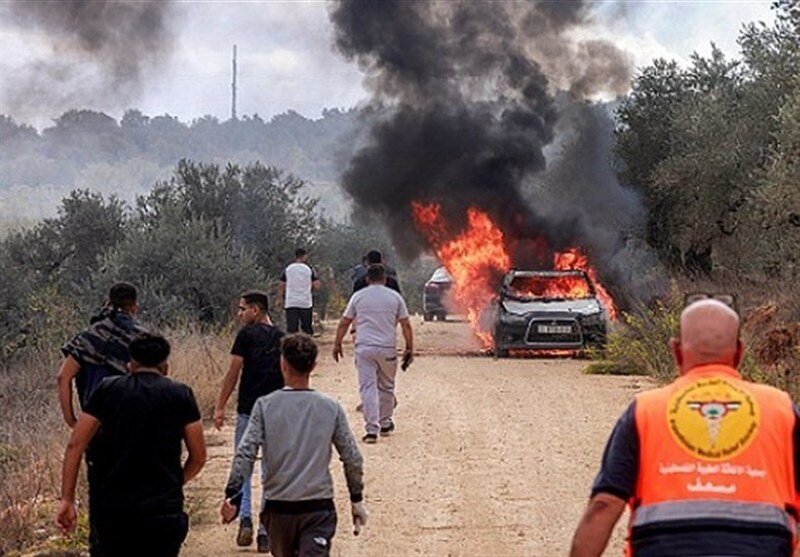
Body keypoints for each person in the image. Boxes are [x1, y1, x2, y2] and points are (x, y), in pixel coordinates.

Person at [570, 297, 800, 557]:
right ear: (739, 353)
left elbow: (604, 505)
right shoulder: (782, 410)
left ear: (676, 351)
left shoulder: (645, 410)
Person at [56, 333, 206, 557]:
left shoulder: (108, 390)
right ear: (165, 366)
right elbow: (198, 456)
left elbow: (75, 445)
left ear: (130, 364)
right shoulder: (180, 394)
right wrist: (174, 483)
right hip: (162, 512)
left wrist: (67, 499)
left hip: (112, 510)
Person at [220, 333, 368, 557]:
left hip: (278, 510)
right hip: (317, 508)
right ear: (314, 366)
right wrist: (356, 499)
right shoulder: (331, 408)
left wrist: (233, 496)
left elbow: (245, 454)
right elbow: (352, 458)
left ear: (283, 364)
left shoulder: (264, 406)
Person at [213, 290, 284, 552]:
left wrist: (220, 406)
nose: (239, 314)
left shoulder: (244, 336)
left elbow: (233, 373)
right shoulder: (281, 337)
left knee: (243, 465)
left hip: (247, 410)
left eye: (242, 309)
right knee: (270, 470)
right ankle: (265, 529)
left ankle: (245, 518)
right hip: (275, 410)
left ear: (255, 310)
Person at [333, 264, 414, 443]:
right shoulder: (395, 297)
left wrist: (337, 343)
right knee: (386, 386)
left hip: (364, 348)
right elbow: (406, 324)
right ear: (385, 279)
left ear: (367, 279)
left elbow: (345, 322)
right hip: (387, 348)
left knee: (368, 387)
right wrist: (409, 348)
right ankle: (385, 423)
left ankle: (371, 430)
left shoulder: (358, 296)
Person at [57, 281, 146, 428]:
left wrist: (71, 421)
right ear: (134, 307)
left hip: (94, 422)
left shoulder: (88, 337)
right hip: (132, 420)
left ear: (109, 302)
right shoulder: (143, 338)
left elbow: (63, 377)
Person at [278, 248, 321, 335]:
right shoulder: (309, 269)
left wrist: (279, 298)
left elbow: (281, 284)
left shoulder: (288, 268)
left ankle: (292, 347)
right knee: (307, 328)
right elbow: (317, 285)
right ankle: (307, 346)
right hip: (305, 302)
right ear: (305, 256)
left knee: (292, 329)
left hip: (291, 302)